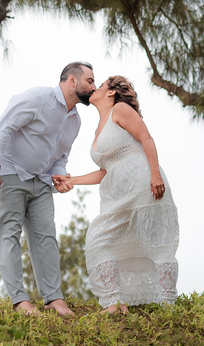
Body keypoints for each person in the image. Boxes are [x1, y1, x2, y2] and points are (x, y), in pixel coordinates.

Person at [55, 75, 178, 313]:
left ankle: (167, 304)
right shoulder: (98, 128)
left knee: (155, 242)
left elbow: (146, 138)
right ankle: (115, 302)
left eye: (100, 85)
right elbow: (104, 171)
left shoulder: (120, 109)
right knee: (98, 239)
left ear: (111, 92)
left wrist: (155, 174)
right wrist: (72, 180)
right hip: (117, 195)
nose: (95, 87)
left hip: (144, 183)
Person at [0, 62, 96, 316]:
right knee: (8, 234)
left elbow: (60, 156)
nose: (94, 87)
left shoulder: (75, 121)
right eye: (90, 81)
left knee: (46, 237)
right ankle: (19, 300)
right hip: (9, 172)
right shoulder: (38, 98)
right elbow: (4, 127)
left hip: (41, 182)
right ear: (72, 81)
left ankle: (53, 298)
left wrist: (59, 177)